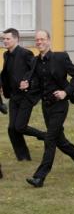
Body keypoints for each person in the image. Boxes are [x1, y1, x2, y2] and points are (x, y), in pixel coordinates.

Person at [26, 30, 74, 188]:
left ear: (49, 41)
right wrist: (26, 85)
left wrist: (66, 92)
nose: (39, 42)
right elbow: (37, 84)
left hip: (60, 105)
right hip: (46, 106)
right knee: (59, 140)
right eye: (37, 40)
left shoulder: (61, 57)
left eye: (42, 39)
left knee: (50, 138)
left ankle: (40, 177)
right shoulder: (35, 61)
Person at [1, 28, 46, 161]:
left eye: (8, 39)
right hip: (14, 96)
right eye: (4, 39)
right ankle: (23, 157)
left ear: (16, 39)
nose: (5, 41)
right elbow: (6, 74)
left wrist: (28, 83)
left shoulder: (26, 54)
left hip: (27, 96)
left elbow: (36, 73)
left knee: (19, 126)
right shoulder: (6, 55)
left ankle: (45, 136)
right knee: (12, 128)